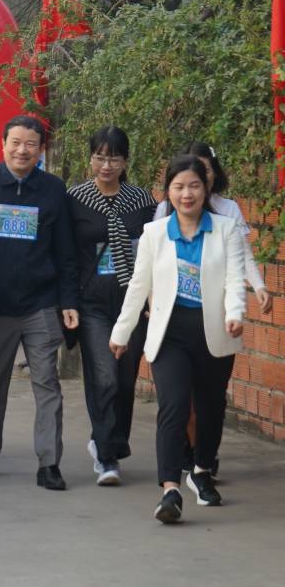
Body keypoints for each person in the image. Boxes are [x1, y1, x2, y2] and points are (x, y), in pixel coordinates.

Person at [109, 155, 246, 523]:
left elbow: (235, 279)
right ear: (168, 192)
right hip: (169, 332)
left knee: (211, 407)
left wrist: (235, 314)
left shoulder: (225, 229)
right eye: (179, 187)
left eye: (194, 186)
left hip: (214, 329)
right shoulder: (155, 234)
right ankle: (170, 490)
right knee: (173, 406)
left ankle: (201, 470)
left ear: (207, 188)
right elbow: (140, 286)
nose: (187, 194)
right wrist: (122, 332)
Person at [0, 115, 79, 490]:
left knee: (47, 383)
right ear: (3, 144)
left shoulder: (53, 189)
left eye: (31, 144)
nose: (22, 150)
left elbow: (65, 250)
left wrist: (67, 300)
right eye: (16, 142)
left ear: (41, 150)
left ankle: (49, 462)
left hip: (41, 303)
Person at [67, 126, 157, 486]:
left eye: (114, 158)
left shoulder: (142, 202)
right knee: (103, 376)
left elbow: (154, 253)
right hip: (92, 302)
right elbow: (67, 255)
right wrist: (67, 301)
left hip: (131, 302)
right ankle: (107, 457)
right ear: (90, 158)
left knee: (123, 379)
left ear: (125, 161)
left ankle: (109, 440)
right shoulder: (75, 200)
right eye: (100, 157)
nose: (106, 165)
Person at [153, 142, 270, 313]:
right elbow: (154, 259)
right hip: (172, 304)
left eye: (204, 170)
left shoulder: (229, 209)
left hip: (215, 304)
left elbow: (243, 253)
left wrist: (259, 286)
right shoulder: (165, 209)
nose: (199, 177)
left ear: (214, 172)